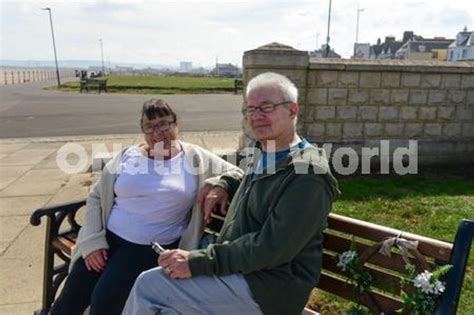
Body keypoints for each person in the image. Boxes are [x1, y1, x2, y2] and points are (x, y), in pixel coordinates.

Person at [123, 73, 339, 315]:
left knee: (149, 285)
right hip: (243, 272)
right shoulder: (266, 152)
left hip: (270, 289)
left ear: (292, 110)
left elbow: (271, 248)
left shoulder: (307, 173)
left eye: (266, 107)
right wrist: (224, 182)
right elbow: (253, 182)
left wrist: (197, 262)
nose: (256, 116)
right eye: (251, 109)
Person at [49, 99, 242, 315]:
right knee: (71, 297)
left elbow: (238, 172)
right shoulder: (128, 155)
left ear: (176, 125)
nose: (157, 132)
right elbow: (96, 196)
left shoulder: (195, 158)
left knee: (104, 300)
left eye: (163, 124)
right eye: (149, 127)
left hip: (147, 247)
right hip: (107, 239)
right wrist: (93, 241)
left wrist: (221, 184)